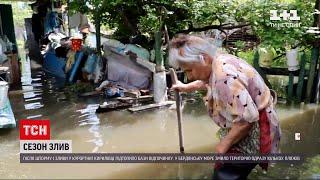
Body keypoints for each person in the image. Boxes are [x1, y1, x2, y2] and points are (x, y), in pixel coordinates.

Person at [169, 35, 281, 180]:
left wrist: (224, 143)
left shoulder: (225, 76)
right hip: (251, 118)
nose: (190, 76)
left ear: (204, 58)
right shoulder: (219, 60)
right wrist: (186, 87)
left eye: (189, 70)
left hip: (253, 127)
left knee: (226, 173)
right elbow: (208, 81)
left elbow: (246, 120)